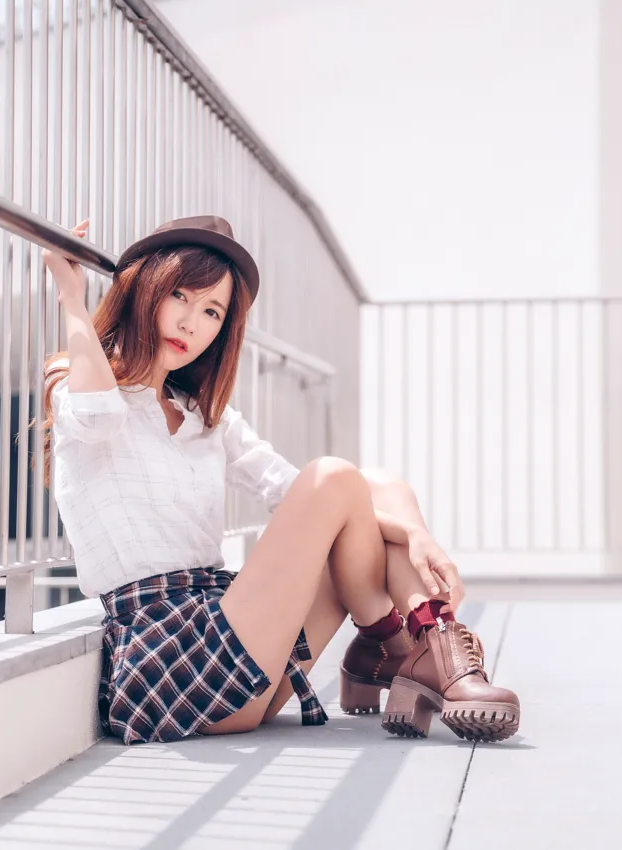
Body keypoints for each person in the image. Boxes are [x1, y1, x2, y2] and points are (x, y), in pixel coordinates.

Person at [40, 215, 519, 745]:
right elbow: (98, 417)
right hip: (166, 659)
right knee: (336, 478)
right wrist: (72, 299)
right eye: (179, 296)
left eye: (212, 311)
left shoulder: (204, 416)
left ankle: (424, 642)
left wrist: (414, 533)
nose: (191, 323)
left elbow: (298, 495)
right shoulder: (75, 384)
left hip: (237, 644)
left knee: (380, 486)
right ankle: (403, 647)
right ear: (144, 288)